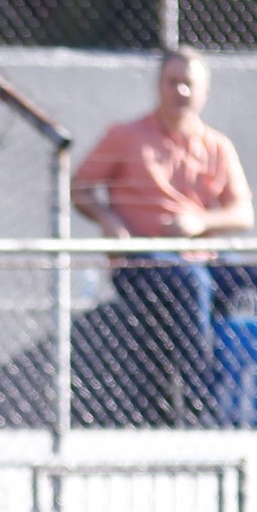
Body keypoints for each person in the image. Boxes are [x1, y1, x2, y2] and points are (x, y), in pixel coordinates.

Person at [71, 46, 255, 426]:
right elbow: (80, 188)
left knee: (223, 275)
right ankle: (200, 410)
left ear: (204, 92)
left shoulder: (217, 145)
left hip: (203, 262)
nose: (182, 92)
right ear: (159, 86)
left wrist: (200, 222)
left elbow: (243, 214)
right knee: (192, 283)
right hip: (143, 263)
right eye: (174, 83)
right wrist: (107, 219)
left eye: (190, 84)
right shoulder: (125, 136)